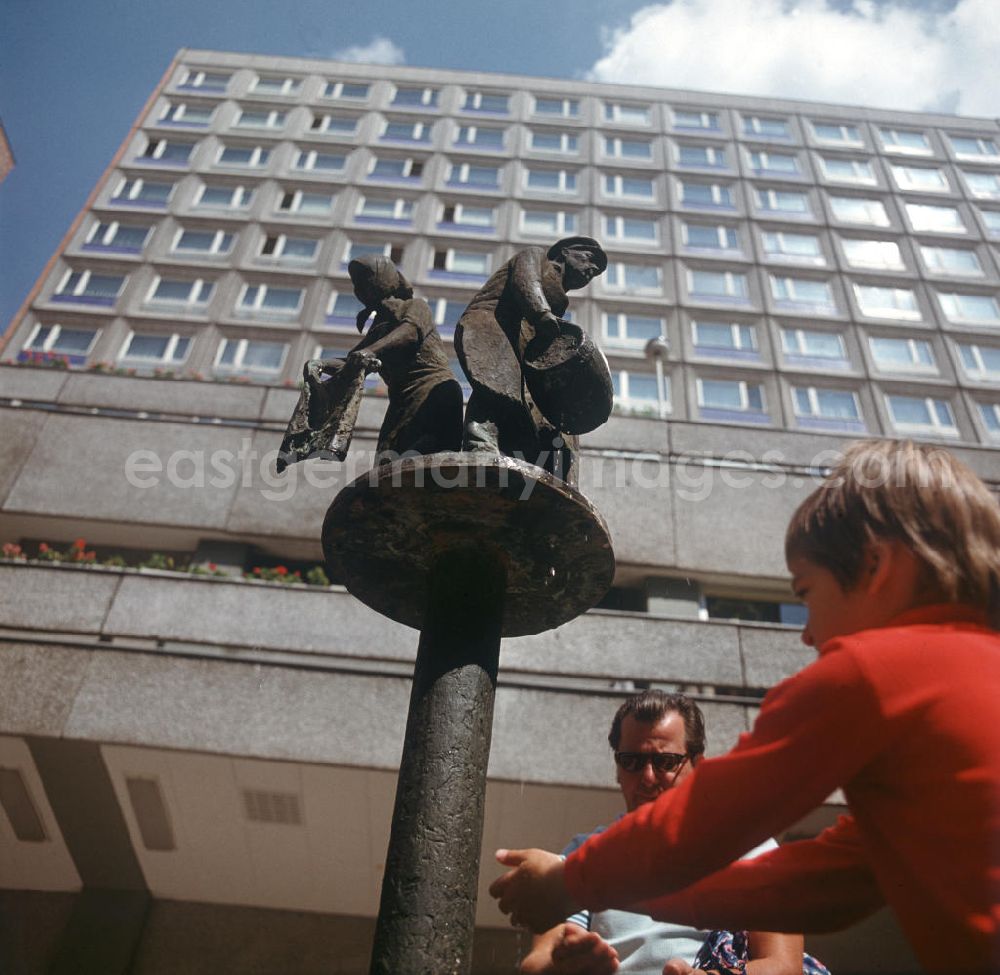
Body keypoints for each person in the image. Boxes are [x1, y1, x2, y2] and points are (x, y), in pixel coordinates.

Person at [490, 439, 1000, 974]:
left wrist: (569, 880)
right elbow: (826, 886)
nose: (807, 635)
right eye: (632, 760)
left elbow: (711, 819)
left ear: (877, 566)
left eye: (804, 593)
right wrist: (621, 894)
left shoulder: (878, 670)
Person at [518, 690, 804, 975]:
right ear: (617, 768)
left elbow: (783, 966)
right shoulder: (583, 853)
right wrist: (569, 962)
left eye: (666, 762)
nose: (648, 777)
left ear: (698, 765)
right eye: (632, 761)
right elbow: (536, 964)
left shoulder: (749, 848)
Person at [277, 255, 462, 470]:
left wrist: (370, 350)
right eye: (358, 284)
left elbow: (410, 332)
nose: (361, 289)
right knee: (386, 465)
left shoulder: (415, 306)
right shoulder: (378, 328)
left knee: (429, 461)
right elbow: (352, 362)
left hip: (433, 393)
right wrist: (320, 364)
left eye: (366, 280)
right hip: (401, 402)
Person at [454, 237, 608, 480]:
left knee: (519, 399)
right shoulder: (536, 256)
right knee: (496, 385)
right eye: (588, 259)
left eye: (595, 272)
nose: (591, 270)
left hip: (521, 341)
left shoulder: (561, 296)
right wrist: (542, 314)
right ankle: (479, 444)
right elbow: (526, 283)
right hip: (492, 324)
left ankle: (510, 452)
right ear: (565, 251)